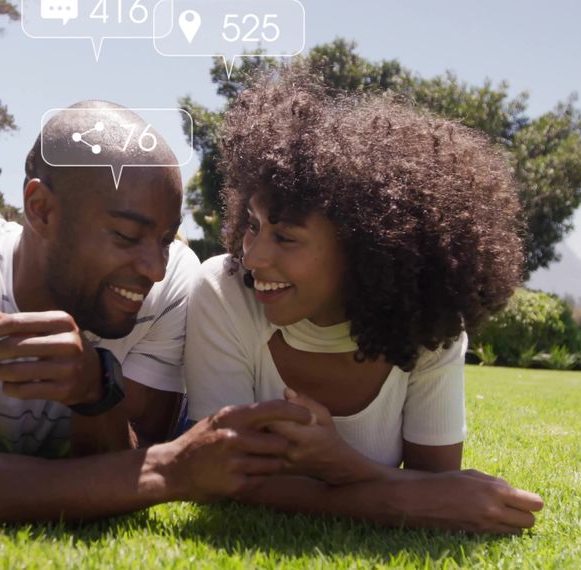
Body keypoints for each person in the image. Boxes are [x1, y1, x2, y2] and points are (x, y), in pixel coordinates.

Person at [0, 101, 315, 521]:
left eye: (164, 239)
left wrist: (95, 389)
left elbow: (127, 460)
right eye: (125, 235)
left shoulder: (175, 281)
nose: (155, 269)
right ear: (41, 210)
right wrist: (170, 471)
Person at [184, 65, 546, 534]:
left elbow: (434, 483)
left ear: (368, 250)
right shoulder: (223, 292)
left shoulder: (428, 326)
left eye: (286, 238)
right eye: (253, 224)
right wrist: (365, 481)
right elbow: (223, 478)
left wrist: (342, 464)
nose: (251, 256)